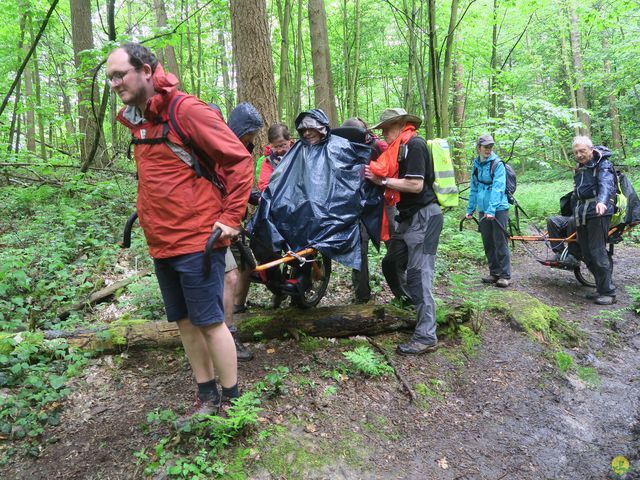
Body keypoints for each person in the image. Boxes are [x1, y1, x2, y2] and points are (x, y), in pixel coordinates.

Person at [107, 43, 253, 418]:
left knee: (210, 323)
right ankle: (206, 397)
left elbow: (239, 161)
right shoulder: (138, 120)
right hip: (162, 242)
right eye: (110, 77)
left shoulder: (186, 111)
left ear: (145, 69)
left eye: (119, 74)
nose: (114, 83)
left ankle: (233, 401)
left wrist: (231, 219)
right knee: (186, 324)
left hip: (198, 240)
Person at [365, 108, 443, 356]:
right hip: (408, 219)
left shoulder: (415, 145)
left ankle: (426, 336)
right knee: (391, 263)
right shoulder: (397, 150)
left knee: (420, 276)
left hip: (425, 218)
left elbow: (415, 184)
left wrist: (383, 181)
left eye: (386, 128)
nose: (384, 133)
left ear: (400, 124)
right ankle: (415, 310)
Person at [223, 102, 264, 362]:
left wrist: (258, 197)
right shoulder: (224, 148)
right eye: (251, 133)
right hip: (221, 225)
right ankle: (227, 335)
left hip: (234, 222)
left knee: (246, 265)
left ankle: (237, 307)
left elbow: (241, 187)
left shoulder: (241, 149)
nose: (253, 138)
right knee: (228, 278)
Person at [341, 117, 388, 304]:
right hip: (357, 205)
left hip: (382, 203)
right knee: (359, 249)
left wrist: (378, 175)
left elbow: (393, 168)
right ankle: (362, 295)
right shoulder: (344, 146)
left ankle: (404, 291)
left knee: (393, 247)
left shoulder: (379, 146)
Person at [572, 136, 617, 305]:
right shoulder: (580, 167)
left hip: (598, 212)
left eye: (582, 151)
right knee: (586, 252)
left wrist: (602, 202)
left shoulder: (603, 165)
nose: (579, 155)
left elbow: (606, 184)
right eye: (576, 152)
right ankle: (600, 287)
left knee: (597, 251)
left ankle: (608, 292)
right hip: (583, 212)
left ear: (591, 149)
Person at [465, 134, 512, 288]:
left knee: (500, 241)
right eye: (486, 147)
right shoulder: (476, 165)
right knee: (488, 242)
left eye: (490, 147)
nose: (488, 149)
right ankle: (494, 272)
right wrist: (470, 209)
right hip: (483, 209)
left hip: (498, 208)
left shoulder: (497, 164)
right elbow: (474, 188)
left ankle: (505, 275)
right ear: (479, 148)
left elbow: (498, 188)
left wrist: (491, 210)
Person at [256, 123, 294, 193]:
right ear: (270, 145)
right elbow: (264, 184)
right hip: (277, 196)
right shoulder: (268, 161)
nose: (279, 150)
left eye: (283, 145)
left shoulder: (298, 154)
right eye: (276, 147)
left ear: (289, 140)